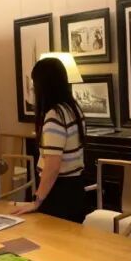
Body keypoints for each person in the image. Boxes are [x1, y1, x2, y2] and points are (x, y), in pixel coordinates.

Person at [12, 58, 88, 222]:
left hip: (59, 193)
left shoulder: (55, 116)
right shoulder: (73, 109)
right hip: (75, 188)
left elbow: (53, 166)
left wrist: (37, 200)